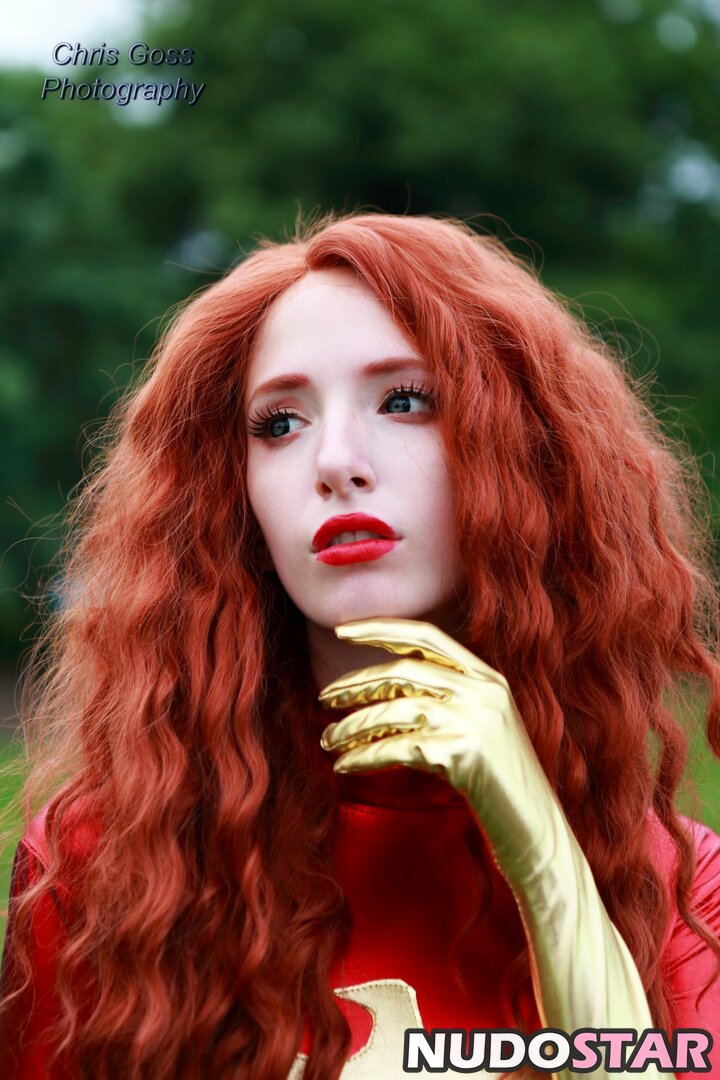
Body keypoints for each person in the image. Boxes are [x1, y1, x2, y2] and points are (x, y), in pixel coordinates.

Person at [0, 212, 718, 1080]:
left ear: (525, 452)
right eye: (279, 424)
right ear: (231, 491)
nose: (336, 461)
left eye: (404, 401)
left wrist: (540, 847)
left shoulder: (682, 887)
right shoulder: (102, 861)